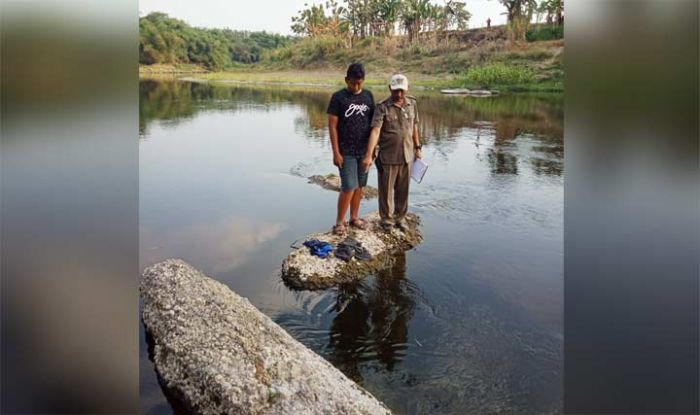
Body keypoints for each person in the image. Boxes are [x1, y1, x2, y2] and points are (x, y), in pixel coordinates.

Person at [362, 74, 422, 232]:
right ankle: (387, 220)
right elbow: (375, 131)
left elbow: (414, 127)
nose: (399, 94)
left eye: (402, 91)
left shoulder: (412, 104)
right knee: (386, 190)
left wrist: (418, 148)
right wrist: (369, 155)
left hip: (407, 155)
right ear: (390, 89)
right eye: (396, 91)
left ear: (407, 89)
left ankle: (400, 217)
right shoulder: (382, 107)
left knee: (403, 190)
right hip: (388, 156)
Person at [327, 63, 375, 235]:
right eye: (353, 83)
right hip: (345, 151)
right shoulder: (338, 97)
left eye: (359, 83)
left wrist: (371, 152)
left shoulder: (368, 96)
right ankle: (340, 222)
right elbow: (332, 126)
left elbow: (374, 126)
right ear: (346, 80)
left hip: (364, 151)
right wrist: (336, 153)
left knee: (360, 186)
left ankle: (354, 218)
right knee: (348, 186)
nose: (356, 87)